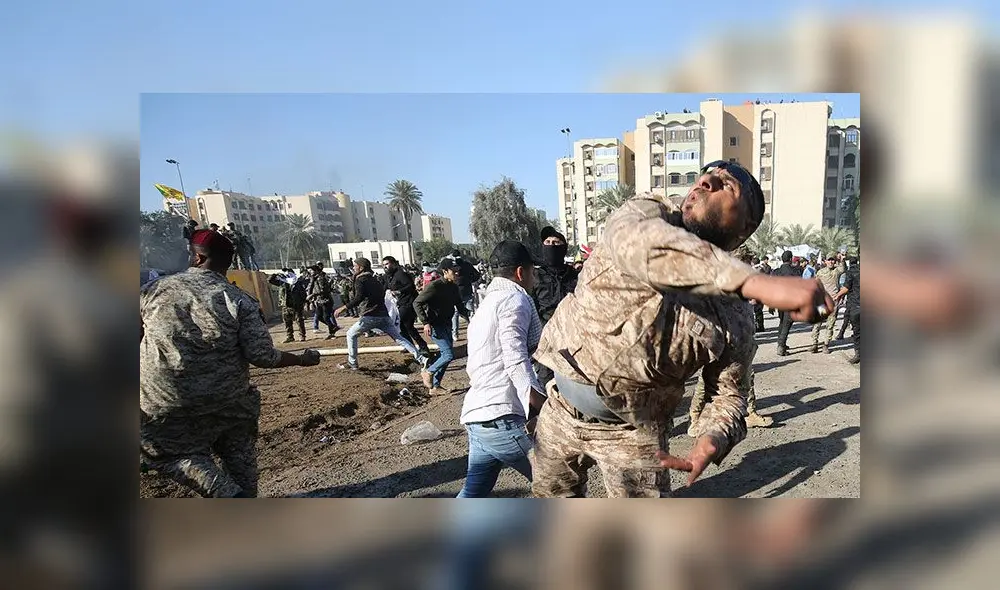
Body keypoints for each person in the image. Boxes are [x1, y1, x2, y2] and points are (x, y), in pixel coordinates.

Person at [530, 160, 833, 497]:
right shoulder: (647, 212)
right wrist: (754, 282)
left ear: (746, 226)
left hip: (634, 435)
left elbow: (727, 393)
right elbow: (635, 242)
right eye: (707, 175)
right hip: (559, 411)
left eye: (726, 184)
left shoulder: (734, 315)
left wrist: (713, 438)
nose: (706, 181)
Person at [140, 229, 321, 498]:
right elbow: (263, 356)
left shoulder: (154, 291)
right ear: (229, 262)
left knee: (161, 453)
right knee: (239, 458)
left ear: (198, 258)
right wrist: (301, 360)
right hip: (229, 403)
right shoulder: (239, 300)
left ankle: (223, 492)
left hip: (167, 403)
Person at [457, 241, 545, 497]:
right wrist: (536, 400)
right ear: (520, 272)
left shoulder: (487, 304)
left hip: (477, 417)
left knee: (473, 493)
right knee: (559, 485)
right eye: (532, 271)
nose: (534, 277)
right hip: (502, 418)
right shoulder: (514, 299)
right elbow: (514, 356)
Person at [689, 248, 773, 430]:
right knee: (705, 382)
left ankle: (750, 413)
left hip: (745, 343)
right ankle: (695, 419)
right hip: (724, 346)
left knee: (748, 377)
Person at [334, 257, 429, 371]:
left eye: (355, 266)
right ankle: (421, 359)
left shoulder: (361, 280)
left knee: (350, 334)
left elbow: (358, 298)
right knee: (399, 338)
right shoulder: (375, 280)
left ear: (361, 267)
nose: (353, 269)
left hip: (370, 315)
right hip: (383, 315)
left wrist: (344, 307)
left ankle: (352, 362)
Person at [531, 226, 579, 388]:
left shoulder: (575, 276)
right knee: (547, 383)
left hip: (572, 340)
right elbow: (531, 308)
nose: (551, 245)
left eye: (556, 242)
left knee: (573, 381)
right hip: (545, 341)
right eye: (548, 242)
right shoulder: (536, 276)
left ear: (564, 248)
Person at [414, 258, 470, 395]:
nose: (457, 274)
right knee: (449, 354)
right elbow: (417, 303)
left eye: (458, 271)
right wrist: (425, 322)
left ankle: (435, 386)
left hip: (447, 325)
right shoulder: (434, 286)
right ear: (445, 271)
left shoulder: (453, 287)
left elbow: (460, 306)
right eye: (454, 271)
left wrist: (470, 318)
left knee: (445, 355)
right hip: (435, 326)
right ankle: (428, 372)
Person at [382, 255, 430, 356]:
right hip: (399, 304)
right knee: (403, 327)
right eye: (383, 265)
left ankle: (422, 346)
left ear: (394, 264)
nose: (385, 267)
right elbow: (385, 288)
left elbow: (410, 286)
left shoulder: (401, 274)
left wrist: (398, 291)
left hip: (409, 303)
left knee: (406, 325)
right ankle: (410, 346)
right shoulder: (388, 276)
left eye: (387, 264)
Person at [811, 255, 844, 353]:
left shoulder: (836, 271)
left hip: (833, 302)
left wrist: (841, 259)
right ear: (825, 261)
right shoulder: (820, 272)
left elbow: (843, 269)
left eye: (832, 260)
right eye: (829, 260)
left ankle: (826, 344)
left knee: (830, 324)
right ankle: (814, 344)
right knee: (817, 323)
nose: (831, 262)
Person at [448, 251, 482, 341]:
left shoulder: (452, 266)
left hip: (456, 292)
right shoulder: (467, 265)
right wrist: (470, 280)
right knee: (469, 312)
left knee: (456, 314)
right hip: (466, 291)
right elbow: (477, 275)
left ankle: (455, 334)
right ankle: (473, 331)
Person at [773, 250, 802, 356]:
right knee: (787, 324)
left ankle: (780, 343)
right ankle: (781, 346)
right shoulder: (795, 271)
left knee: (782, 321)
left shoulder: (776, 272)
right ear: (790, 259)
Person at [268, 268, 307, 343]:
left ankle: (302, 335)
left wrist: (302, 303)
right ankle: (290, 336)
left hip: (296, 305)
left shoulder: (298, 283)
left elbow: (303, 294)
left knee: (299, 321)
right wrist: (275, 274)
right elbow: (270, 280)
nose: (287, 275)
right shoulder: (282, 282)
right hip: (286, 305)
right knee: (287, 322)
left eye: (289, 273)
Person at [835, 256, 861, 364]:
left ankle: (858, 354)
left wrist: (837, 296)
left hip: (855, 305)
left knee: (857, 332)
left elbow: (845, 288)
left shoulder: (850, 273)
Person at [306, 262, 338, 339]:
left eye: (311, 271)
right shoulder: (314, 278)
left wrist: (312, 295)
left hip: (326, 300)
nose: (310, 272)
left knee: (326, 317)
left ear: (316, 270)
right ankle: (333, 327)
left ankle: (332, 332)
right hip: (319, 301)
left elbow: (323, 290)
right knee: (319, 316)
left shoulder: (321, 278)